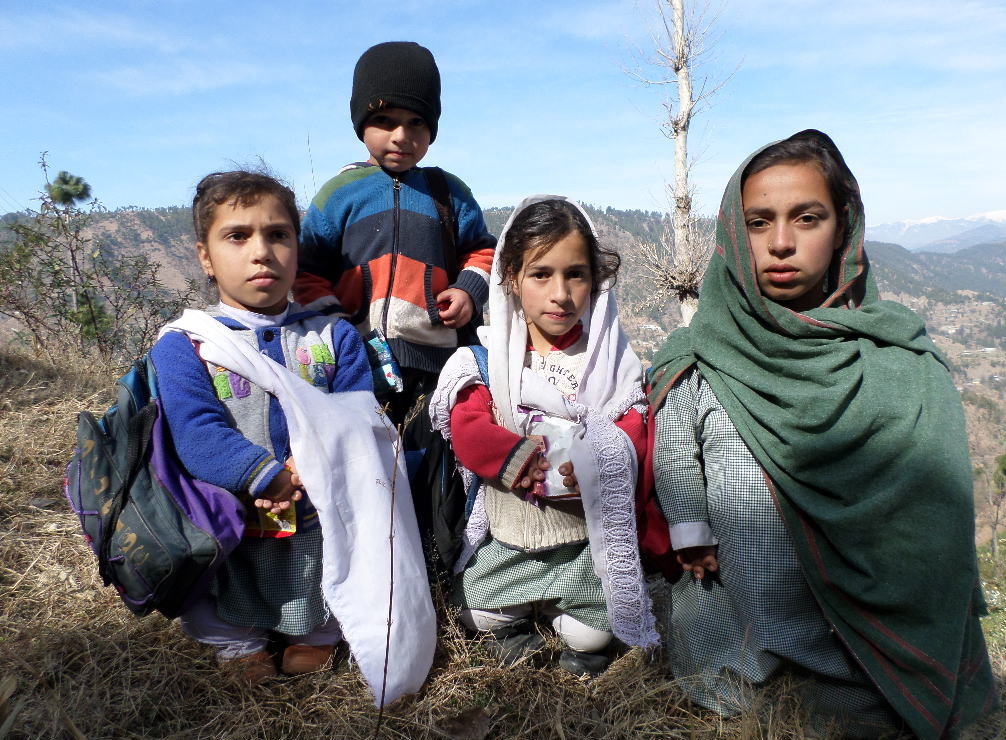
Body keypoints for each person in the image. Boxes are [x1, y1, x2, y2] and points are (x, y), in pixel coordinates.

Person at [648, 129, 996, 740]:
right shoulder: (698, 358)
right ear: (734, 232)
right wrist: (688, 524)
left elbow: (932, 529)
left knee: (878, 710)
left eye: (807, 218)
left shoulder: (901, 365)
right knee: (729, 699)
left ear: (843, 228)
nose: (781, 242)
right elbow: (676, 458)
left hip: (862, 642)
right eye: (759, 222)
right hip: (736, 626)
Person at [151, 171, 434, 704]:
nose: (262, 251)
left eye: (278, 234)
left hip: (315, 504)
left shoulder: (333, 337)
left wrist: (314, 470)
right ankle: (240, 641)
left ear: (297, 247)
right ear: (205, 256)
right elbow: (197, 431)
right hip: (233, 512)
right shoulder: (187, 346)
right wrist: (264, 474)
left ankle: (317, 631)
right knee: (221, 586)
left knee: (331, 560)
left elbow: (358, 419)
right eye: (237, 236)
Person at [429, 196, 658, 676]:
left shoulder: (611, 362)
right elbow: (470, 428)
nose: (561, 293)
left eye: (575, 274)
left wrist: (596, 460)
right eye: (541, 274)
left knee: (594, 631)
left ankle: (567, 624)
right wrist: (513, 458)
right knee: (477, 610)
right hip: (512, 538)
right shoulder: (489, 362)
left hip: (580, 540)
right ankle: (515, 626)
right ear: (510, 277)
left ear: (596, 280)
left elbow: (632, 425)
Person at [296, 41, 496, 575]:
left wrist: (468, 291)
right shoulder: (338, 194)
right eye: (384, 120)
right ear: (361, 122)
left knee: (434, 463)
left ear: (432, 130)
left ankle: (438, 562)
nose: (401, 136)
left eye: (416, 123)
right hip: (358, 360)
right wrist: (332, 319)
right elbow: (306, 266)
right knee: (371, 466)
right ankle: (373, 564)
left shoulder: (449, 193)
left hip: (436, 362)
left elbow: (483, 250)